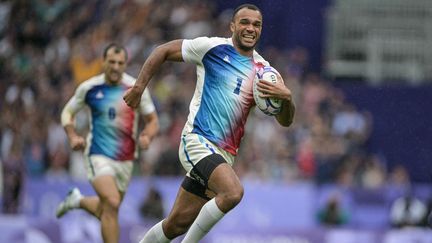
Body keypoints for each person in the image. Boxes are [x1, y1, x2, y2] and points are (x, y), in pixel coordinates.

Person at [123, 4, 295, 243]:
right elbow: (163, 50)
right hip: (197, 141)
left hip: (224, 156)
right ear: (233, 26)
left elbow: (285, 121)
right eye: (244, 22)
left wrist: (287, 99)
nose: (250, 28)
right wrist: (139, 87)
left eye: (256, 24)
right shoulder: (212, 48)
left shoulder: (264, 72)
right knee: (233, 192)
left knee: (175, 225)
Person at [56, 43, 159, 243]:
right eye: (111, 62)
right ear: (103, 62)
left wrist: (147, 135)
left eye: (120, 63)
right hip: (98, 154)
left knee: (108, 209)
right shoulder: (89, 88)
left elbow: (152, 120)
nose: (115, 66)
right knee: (111, 203)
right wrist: (72, 136)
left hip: (126, 159)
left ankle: (78, 200)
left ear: (125, 64)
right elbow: (68, 112)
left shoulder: (135, 88)